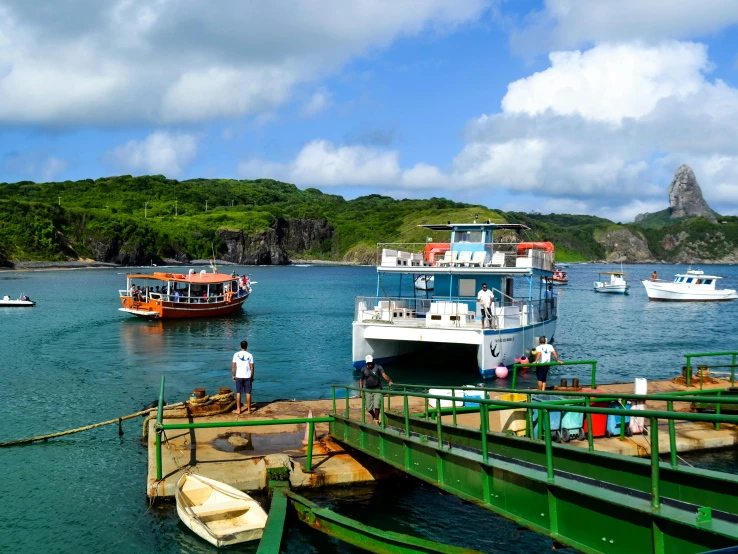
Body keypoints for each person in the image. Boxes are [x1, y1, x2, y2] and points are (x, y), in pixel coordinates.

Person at [359, 355, 393, 423]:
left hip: (377, 389)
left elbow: (384, 375)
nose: (370, 364)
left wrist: (389, 380)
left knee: (377, 405)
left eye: (371, 363)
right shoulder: (363, 369)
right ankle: (374, 416)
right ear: (366, 363)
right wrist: (361, 391)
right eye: (368, 363)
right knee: (368, 408)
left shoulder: (378, 367)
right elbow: (361, 380)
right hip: (368, 390)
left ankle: (376, 420)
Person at [232, 340, 255, 415]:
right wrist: (252, 376)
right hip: (247, 376)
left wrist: (233, 375)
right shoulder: (250, 355)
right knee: (248, 393)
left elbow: (233, 366)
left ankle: (238, 409)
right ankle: (249, 409)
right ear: (247, 346)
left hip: (239, 375)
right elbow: (252, 367)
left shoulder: (236, 354)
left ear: (240, 346)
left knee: (238, 392)